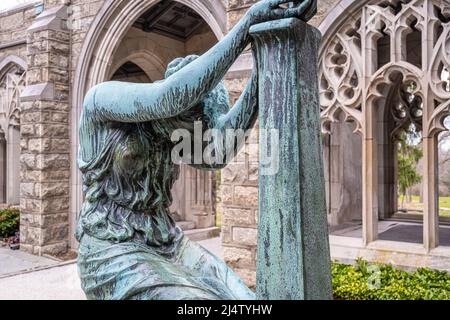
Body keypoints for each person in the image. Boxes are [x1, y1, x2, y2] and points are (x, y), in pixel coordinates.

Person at [76, 0, 316, 300]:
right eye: (190, 123)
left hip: (165, 239)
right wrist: (246, 25)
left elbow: (218, 154)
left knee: (245, 299)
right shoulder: (102, 101)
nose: (189, 136)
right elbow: (169, 98)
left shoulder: (172, 132)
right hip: (110, 248)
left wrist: (264, 63)